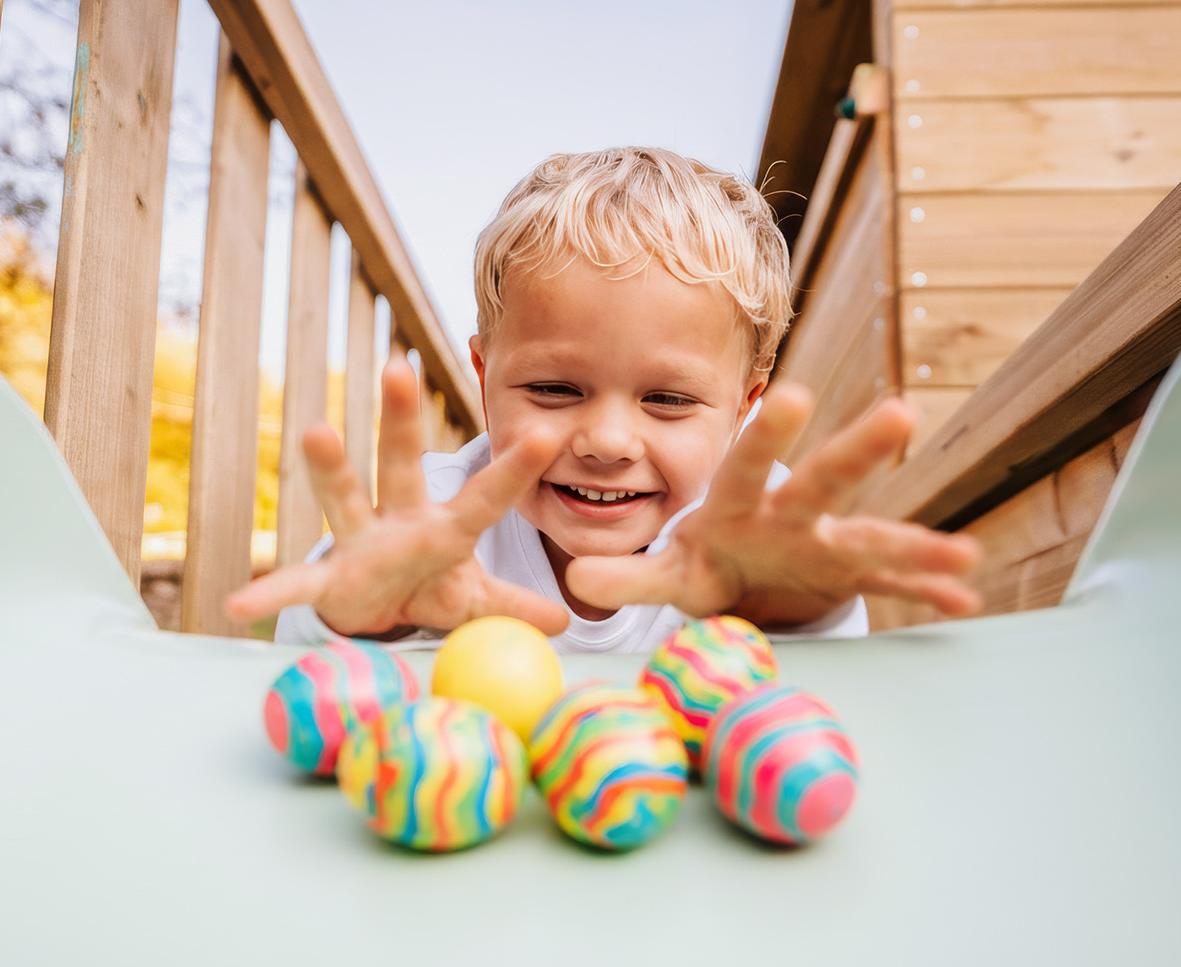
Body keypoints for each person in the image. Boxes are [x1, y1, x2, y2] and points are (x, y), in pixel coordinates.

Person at [227, 146, 981, 652]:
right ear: (484, 378)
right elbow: (305, 662)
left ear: (744, 407)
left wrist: (798, 618)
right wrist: (360, 620)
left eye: (669, 400)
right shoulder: (432, 520)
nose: (608, 441)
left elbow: (818, 704)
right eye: (555, 388)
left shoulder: (754, 531)